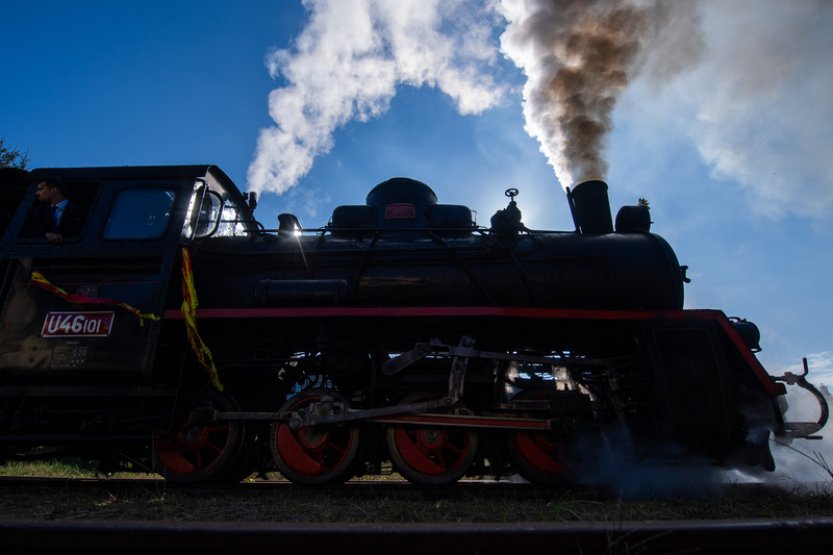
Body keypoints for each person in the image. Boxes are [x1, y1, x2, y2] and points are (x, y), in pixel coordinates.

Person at [29, 176, 85, 243]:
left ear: (54, 190)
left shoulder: (80, 210)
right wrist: (46, 234)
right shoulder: (37, 213)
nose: (37, 193)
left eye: (40, 189)